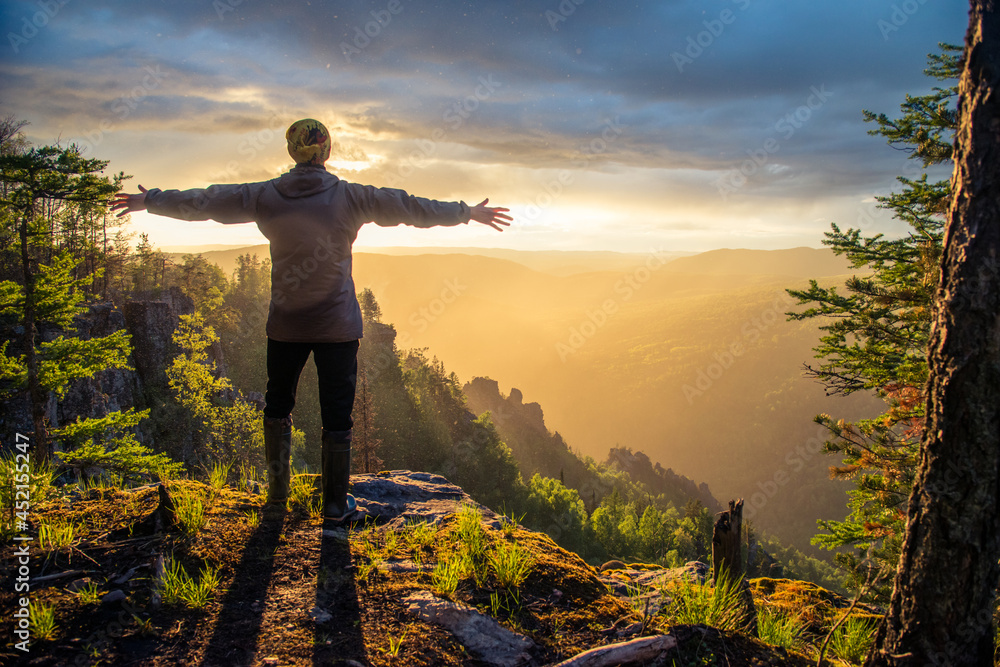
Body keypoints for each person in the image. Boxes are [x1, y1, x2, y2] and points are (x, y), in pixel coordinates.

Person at [111, 118, 512, 520]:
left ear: (291, 152)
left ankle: (277, 500)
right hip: (338, 327)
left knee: (277, 404)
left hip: (286, 324)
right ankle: (336, 505)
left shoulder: (265, 195)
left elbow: (207, 201)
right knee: (337, 413)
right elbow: (408, 206)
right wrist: (467, 213)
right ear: (328, 152)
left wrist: (152, 200)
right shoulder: (351, 196)